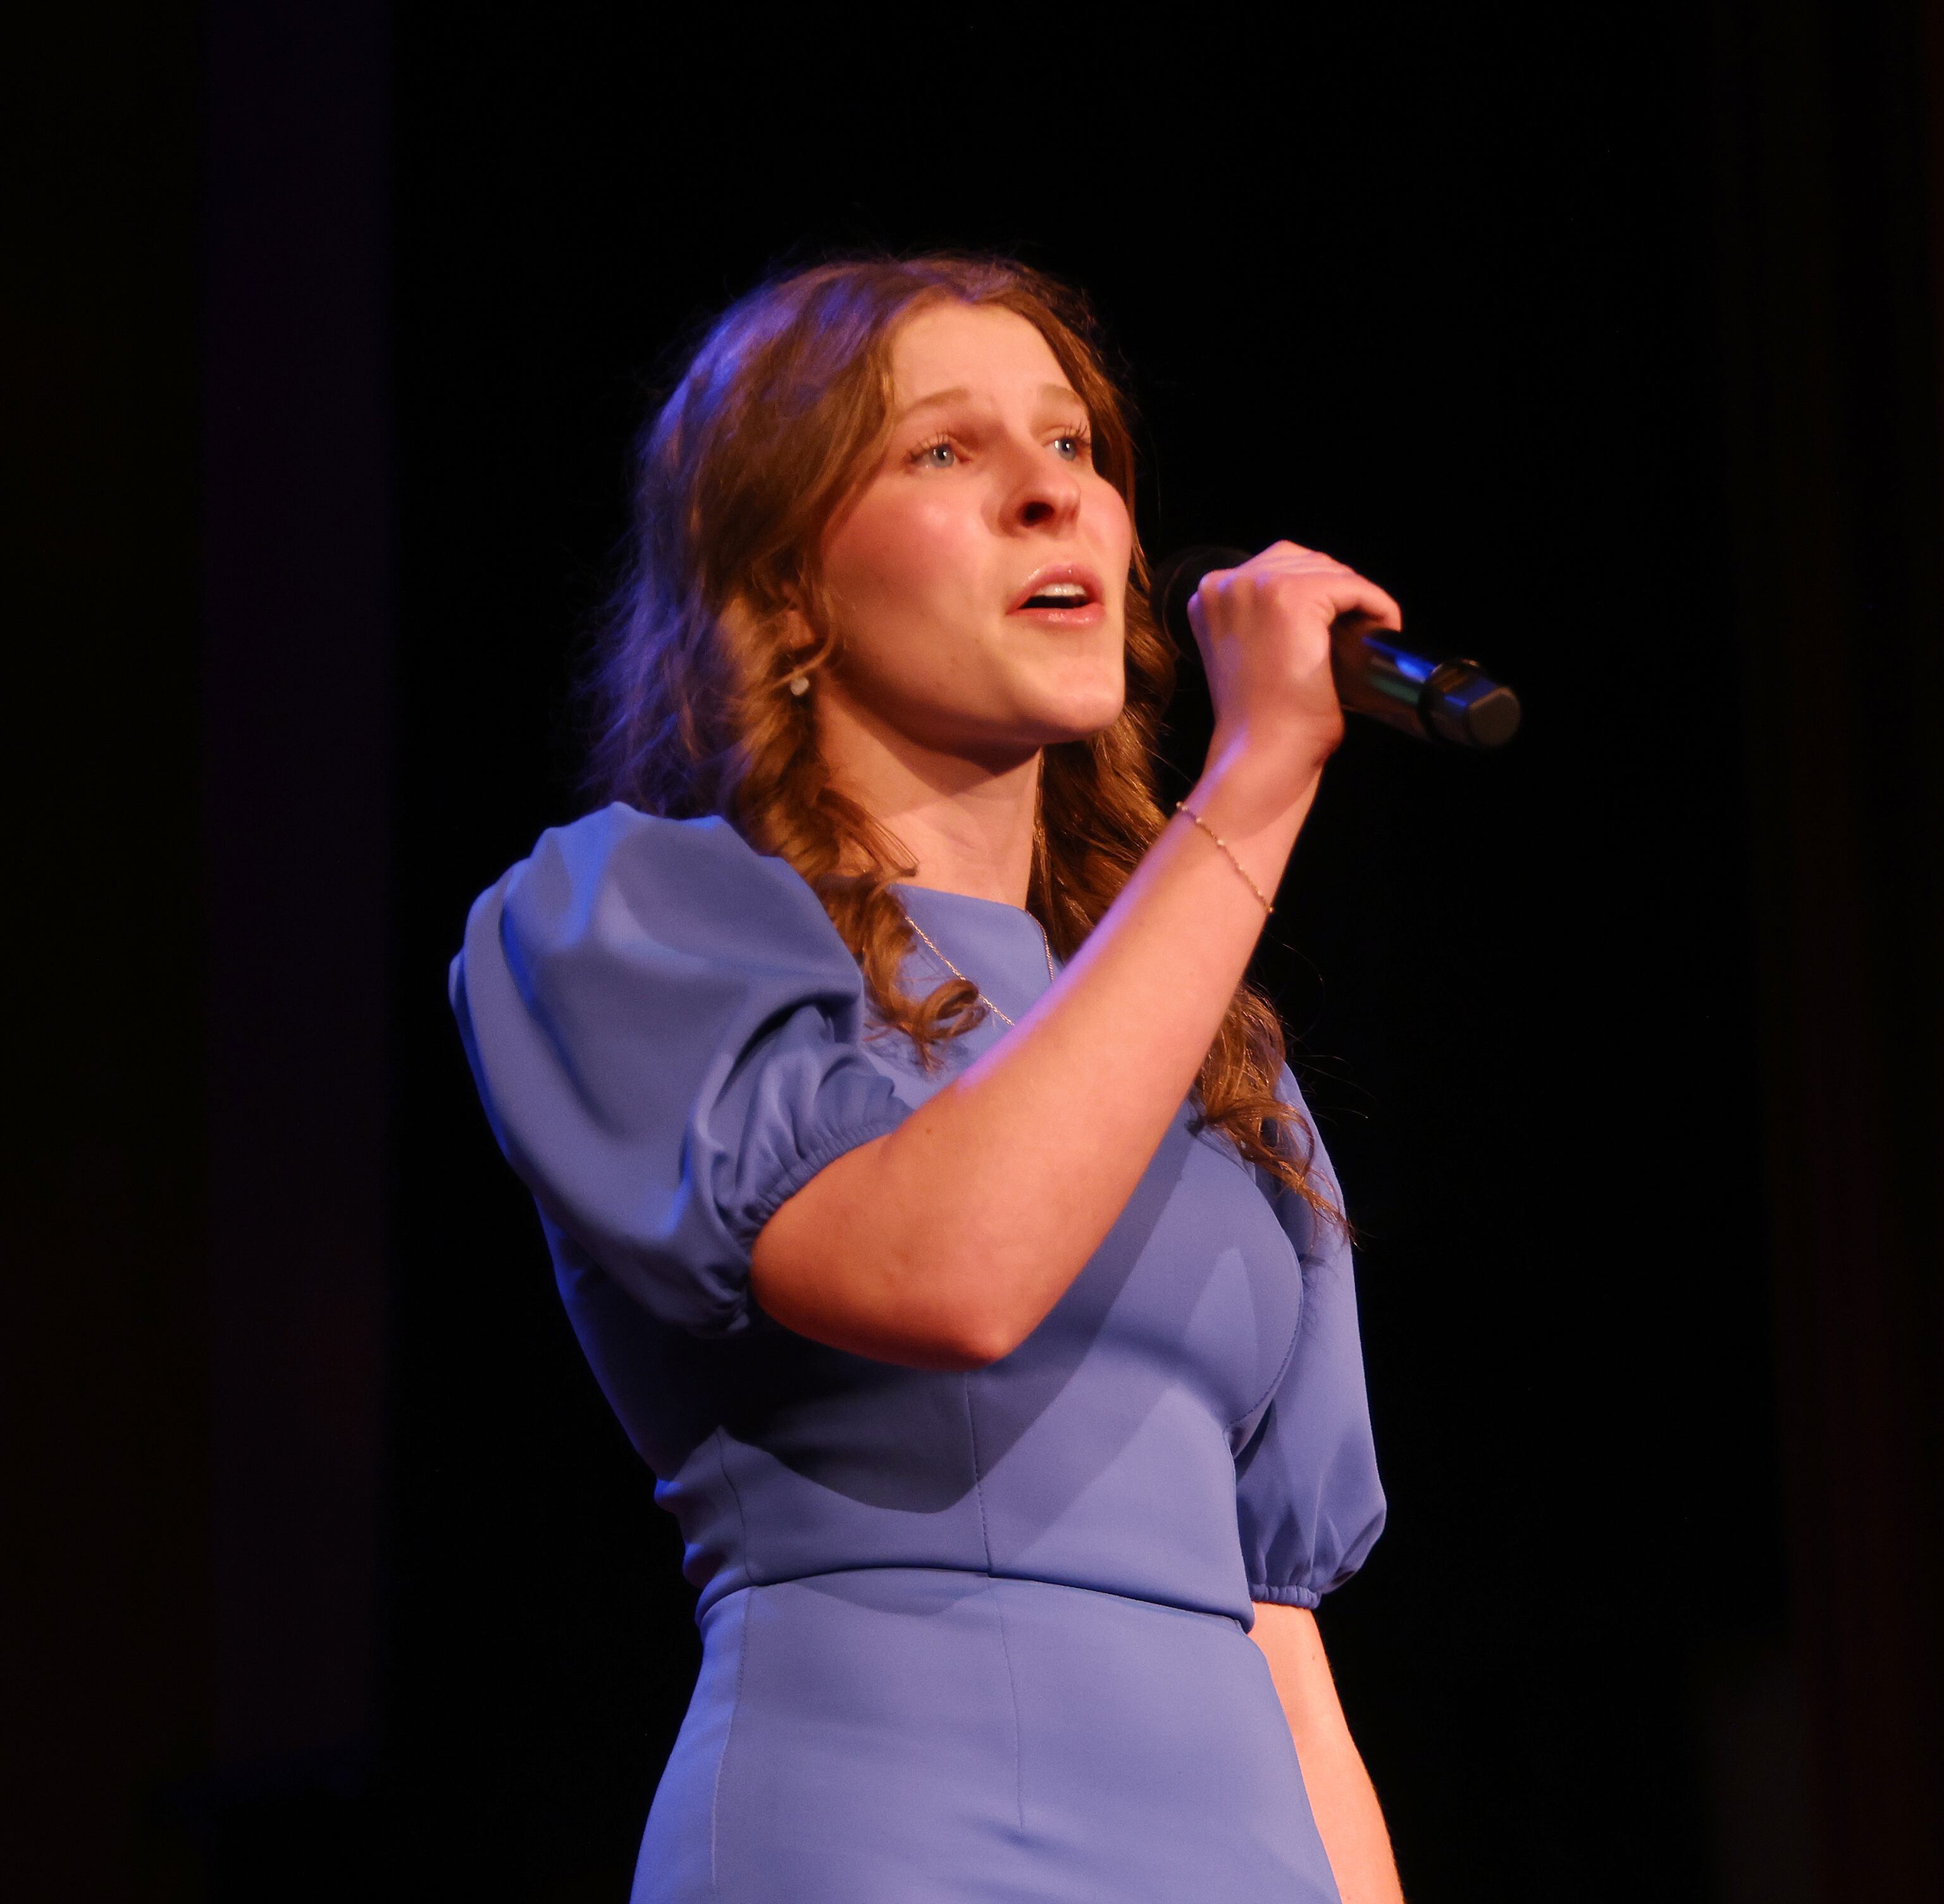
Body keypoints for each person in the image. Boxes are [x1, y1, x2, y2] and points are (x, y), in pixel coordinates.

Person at [449, 254, 1401, 1903]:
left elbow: (1282, 1638)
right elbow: (948, 1271)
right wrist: (1252, 785)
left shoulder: (1210, 1038)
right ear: (783, 586)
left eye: (1073, 445)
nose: (1051, 492)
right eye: (945, 450)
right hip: (893, 1843)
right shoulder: (632, 913)